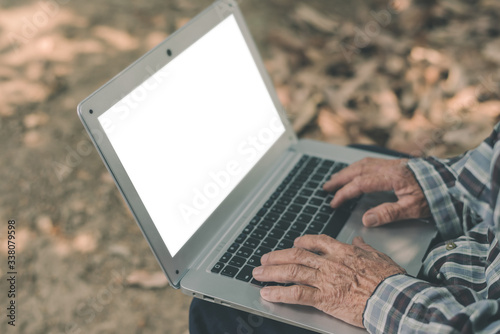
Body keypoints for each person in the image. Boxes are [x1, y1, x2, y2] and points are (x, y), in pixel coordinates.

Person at [190, 121, 500, 333]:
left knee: (215, 311)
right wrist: (444, 187)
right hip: (482, 248)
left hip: (445, 313)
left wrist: (375, 294)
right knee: (353, 167)